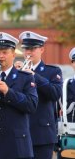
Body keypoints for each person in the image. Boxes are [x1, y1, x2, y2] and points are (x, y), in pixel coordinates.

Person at [19, 31, 63, 159]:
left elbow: (55, 94)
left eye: (32, 49)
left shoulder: (52, 71)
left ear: (42, 49)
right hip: (20, 132)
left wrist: (34, 76)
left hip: (42, 133)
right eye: (26, 49)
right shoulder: (18, 72)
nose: (28, 52)